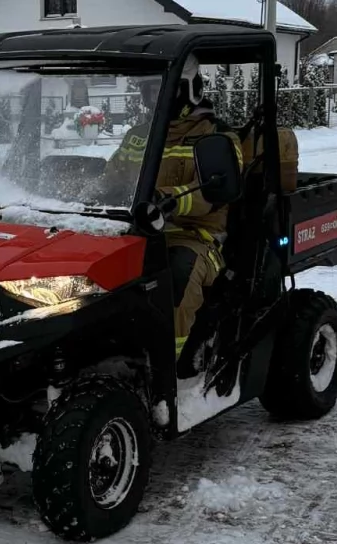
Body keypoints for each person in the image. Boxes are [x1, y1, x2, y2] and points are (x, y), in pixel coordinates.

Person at [92, 55, 244, 364]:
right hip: (135, 229)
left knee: (177, 277)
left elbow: (212, 194)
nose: (154, 98)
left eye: (163, 89)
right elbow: (111, 179)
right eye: (150, 90)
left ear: (189, 90)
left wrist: (167, 199)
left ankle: (166, 369)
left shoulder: (217, 138)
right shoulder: (138, 136)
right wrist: (81, 194)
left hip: (195, 236)